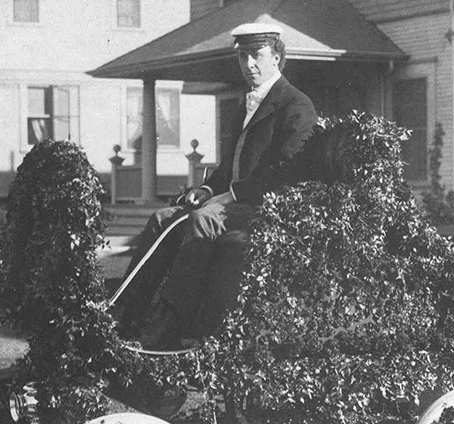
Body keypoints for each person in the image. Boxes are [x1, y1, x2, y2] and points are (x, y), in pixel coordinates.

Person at [117, 23, 318, 349]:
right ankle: (126, 317)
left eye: (257, 55)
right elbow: (230, 166)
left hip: (265, 209)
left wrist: (232, 196)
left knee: (202, 221)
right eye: (242, 57)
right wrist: (208, 190)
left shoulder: (296, 105)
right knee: (162, 218)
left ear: (277, 57)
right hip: (231, 201)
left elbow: (288, 174)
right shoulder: (247, 102)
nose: (248, 65)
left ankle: (172, 329)